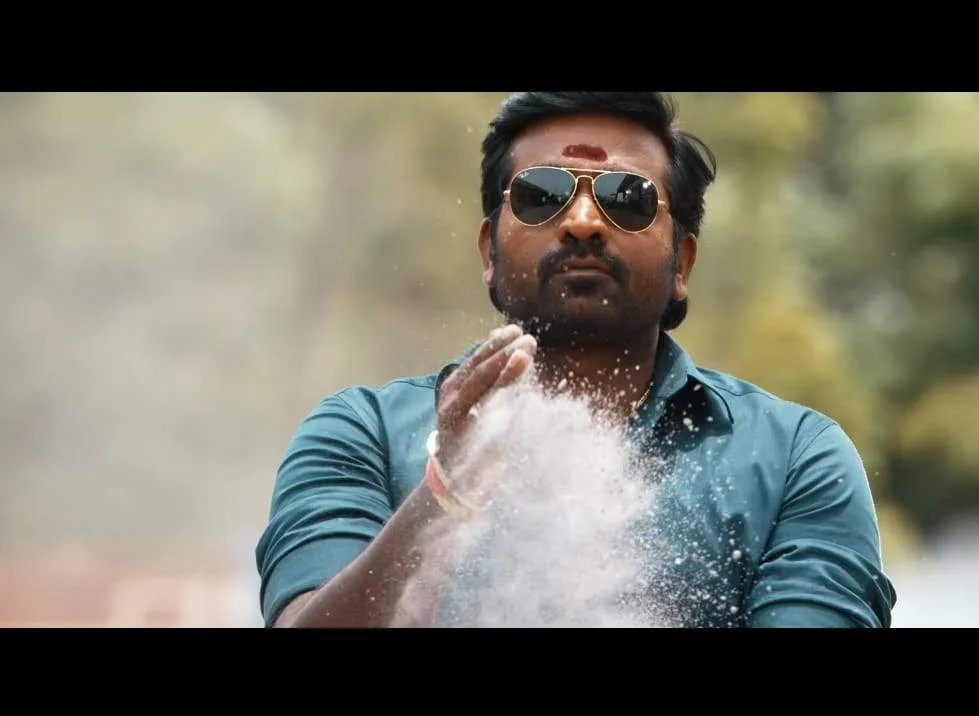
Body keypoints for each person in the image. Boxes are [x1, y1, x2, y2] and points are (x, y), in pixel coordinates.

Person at [255, 91, 898, 628]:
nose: (584, 221)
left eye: (628, 198)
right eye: (541, 194)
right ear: (488, 252)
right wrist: (442, 497)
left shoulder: (793, 460)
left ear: (682, 263)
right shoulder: (361, 433)